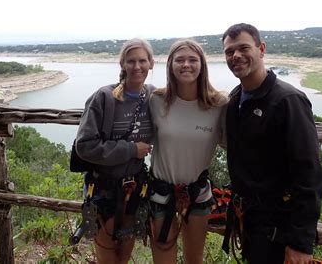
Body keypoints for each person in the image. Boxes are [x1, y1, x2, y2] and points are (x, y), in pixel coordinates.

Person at [221, 23, 322, 264]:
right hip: (252, 223)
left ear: (261, 49)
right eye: (229, 52)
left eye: (243, 48)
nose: (235, 56)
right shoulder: (236, 100)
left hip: (279, 229)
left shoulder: (288, 101)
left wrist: (300, 242)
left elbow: (309, 175)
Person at [73, 38, 155, 264]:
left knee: (124, 252)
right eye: (131, 61)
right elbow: (84, 146)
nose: (137, 66)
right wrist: (131, 150)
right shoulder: (104, 97)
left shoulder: (154, 96)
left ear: (151, 63)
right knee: (107, 252)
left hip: (135, 188)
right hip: (104, 188)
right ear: (122, 65)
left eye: (142, 61)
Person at [149, 39, 227, 264]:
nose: (186, 65)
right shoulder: (156, 100)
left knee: (194, 260)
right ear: (170, 65)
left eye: (193, 60)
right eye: (179, 60)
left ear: (202, 65)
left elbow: (237, 143)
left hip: (198, 194)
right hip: (160, 194)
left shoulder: (219, 104)